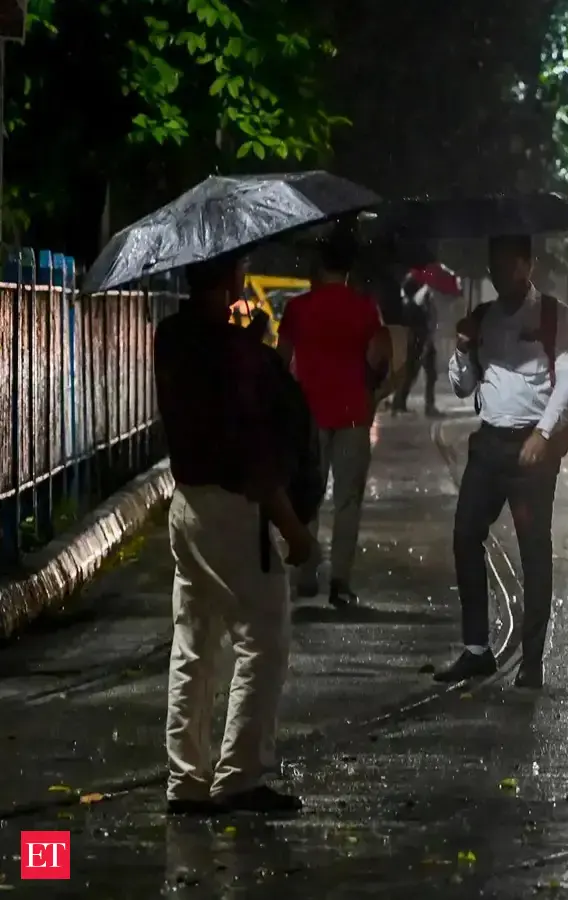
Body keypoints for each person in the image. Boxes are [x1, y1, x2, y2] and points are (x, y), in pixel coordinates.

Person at [156, 255, 312, 815]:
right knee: (263, 636)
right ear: (229, 281)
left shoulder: (170, 337)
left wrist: (245, 342)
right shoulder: (232, 351)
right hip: (232, 508)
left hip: (187, 504)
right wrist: (292, 527)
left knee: (193, 642)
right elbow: (252, 449)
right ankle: (240, 775)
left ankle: (186, 779)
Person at [437, 235, 568, 689]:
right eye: (495, 266)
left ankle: (532, 660)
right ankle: (476, 649)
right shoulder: (483, 316)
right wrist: (462, 348)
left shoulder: (557, 316)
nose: (501, 274)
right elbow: (462, 386)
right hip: (489, 444)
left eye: (509, 264)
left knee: (533, 549)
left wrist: (544, 434)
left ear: (528, 264)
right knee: (465, 535)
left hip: (533, 447)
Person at [277, 229, 392, 608]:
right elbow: (380, 358)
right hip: (353, 415)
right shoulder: (365, 309)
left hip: (307, 416)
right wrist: (373, 389)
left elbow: (280, 363)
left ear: (318, 266)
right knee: (347, 501)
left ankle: (306, 572)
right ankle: (340, 582)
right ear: (349, 269)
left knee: (307, 496)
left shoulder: (297, 309)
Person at [392, 276, 441, 417]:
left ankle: (400, 404)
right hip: (419, 343)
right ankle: (400, 404)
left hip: (421, 342)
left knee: (420, 374)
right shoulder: (413, 306)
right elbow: (422, 325)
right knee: (412, 374)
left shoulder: (414, 304)